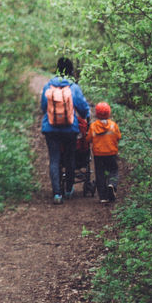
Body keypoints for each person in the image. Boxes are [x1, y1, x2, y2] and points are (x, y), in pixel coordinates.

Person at [41, 56, 90, 204]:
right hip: (70, 129)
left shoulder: (48, 86)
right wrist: (87, 117)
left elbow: (44, 107)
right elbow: (83, 108)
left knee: (54, 159)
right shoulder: (74, 87)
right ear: (71, 71)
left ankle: (57, 194)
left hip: (50, 128)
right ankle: (69, 190)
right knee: (70, 158)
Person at [89, 101, 122, 203]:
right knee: (114, 170)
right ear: (109, 113)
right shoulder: (113, 126)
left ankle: (103, 197)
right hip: (111, 153)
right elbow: (118, 137)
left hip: (98, 154)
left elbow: (88, 139)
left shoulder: (93, 126)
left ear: (96, 113)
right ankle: (112, 184)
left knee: (100, 174)